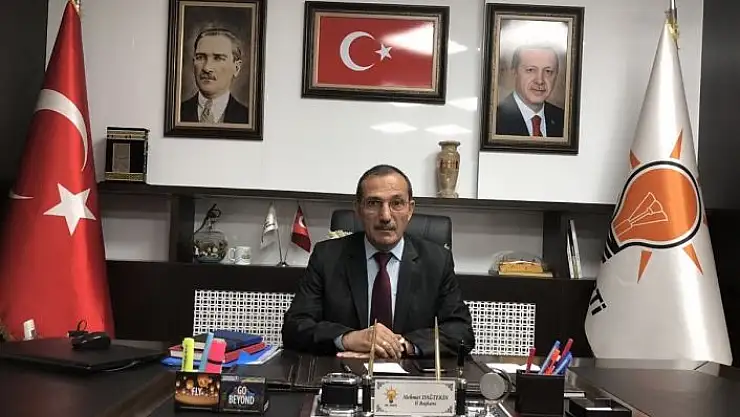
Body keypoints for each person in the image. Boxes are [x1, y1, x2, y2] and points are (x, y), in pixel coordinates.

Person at [281, 165, 475, 359]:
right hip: (344, 371)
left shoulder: (436, 261)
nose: (385, 216)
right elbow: (295, 327)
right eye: (373, 203)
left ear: (410, 209)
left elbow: (461, 332)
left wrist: (401, 345)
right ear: (358, 209)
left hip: (411, 373)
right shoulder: (327, 257)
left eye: (397, 203)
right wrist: (347, 339)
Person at [180, 27, 249, 124]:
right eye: (200, 57)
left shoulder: (248, 118)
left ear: (236, 68)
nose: (206, 68)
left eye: (218, 58)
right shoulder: (176, 113)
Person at [495, 44, 565, 137]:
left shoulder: (564, 120)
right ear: (514, 72)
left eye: (548, 71)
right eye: (530, 70)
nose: (540, 81)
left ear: (556, 75)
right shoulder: (495, 120)